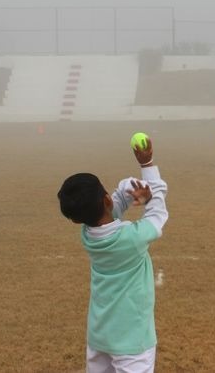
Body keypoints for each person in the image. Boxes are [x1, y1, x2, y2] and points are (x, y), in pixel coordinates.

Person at [57, 139, 168, 373]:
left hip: (100, 335)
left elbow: (117, 201)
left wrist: (133, 190)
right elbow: (157, 212)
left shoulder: (88, 234)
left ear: (76, 219)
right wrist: (147, 164)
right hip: (132, 339)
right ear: (105, 199)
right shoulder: (130, 239)